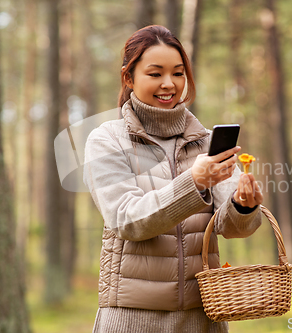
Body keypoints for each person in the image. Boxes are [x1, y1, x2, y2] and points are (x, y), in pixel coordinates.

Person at [84, 25, 263, 333]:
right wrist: (193, 182)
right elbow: (127, 220)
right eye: (155, 74)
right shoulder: (107, 140)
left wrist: (243, 206)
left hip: (202, 315)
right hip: (132, 318)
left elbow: (232, 228)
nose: (169, 84)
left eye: (178, 73)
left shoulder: (206, 143)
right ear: (129, 78)